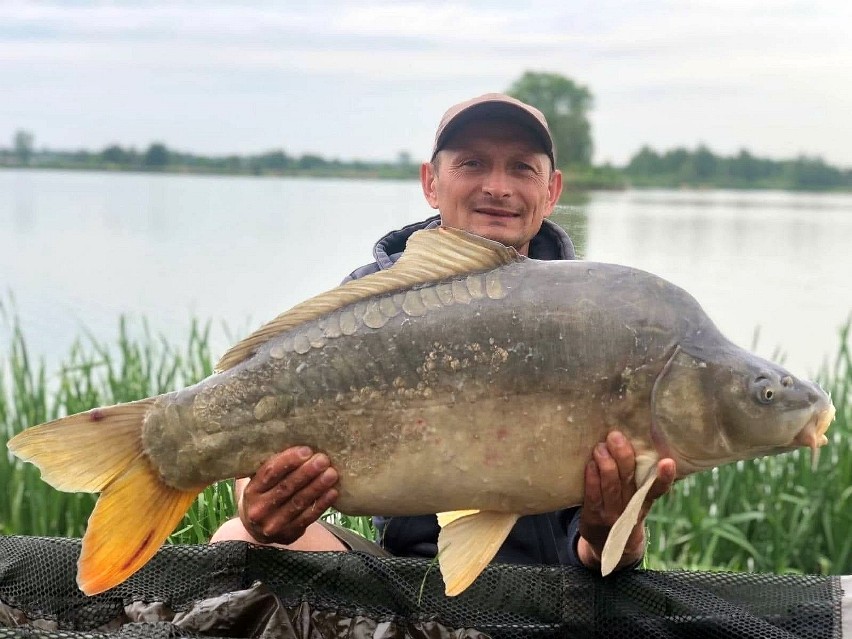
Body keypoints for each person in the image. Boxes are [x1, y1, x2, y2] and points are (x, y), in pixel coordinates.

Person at [211, 93, 677, 573]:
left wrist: (615, 534)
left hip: (558, 583)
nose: (498, 187)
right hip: (398, 576)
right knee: (239, 538)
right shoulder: (372, 306)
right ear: (431, 183)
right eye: (472, 164)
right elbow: (262, 403)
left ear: (552, 190)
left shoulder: (599, 319)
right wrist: (258, 501)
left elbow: (604, 558)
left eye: (522, 168)